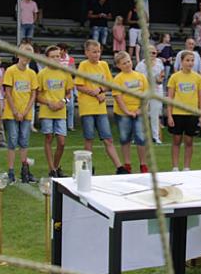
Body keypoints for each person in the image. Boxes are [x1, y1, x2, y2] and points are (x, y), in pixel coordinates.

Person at [75, 40, 127, 174]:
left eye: (98, 52)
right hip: (87, 108)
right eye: (94, 52)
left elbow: (109, 84)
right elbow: (79, 85)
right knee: (89, 138)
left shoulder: (103, 65)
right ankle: (87, 167)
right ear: (87, 52)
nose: (97, 54)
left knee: (108, 138)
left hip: (100, 108)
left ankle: (119, 167)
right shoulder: (83, 65)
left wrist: (100, 90)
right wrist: (94, 93)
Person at [2, 41, 39, 184]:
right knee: (12, 140)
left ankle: (25, 170)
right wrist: (16, 111)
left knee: (24, 141)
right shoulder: (11, 71)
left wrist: (25, 111)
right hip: (12, 113)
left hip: (26, 114)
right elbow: (8, 93)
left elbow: (33, 95)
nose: (26, 58)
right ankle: (11, 171)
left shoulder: (32, 73)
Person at [37, 45, 74, 177]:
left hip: (61, 111)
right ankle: (52, 169)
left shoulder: (65, 72)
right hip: (47, 111)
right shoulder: (42, 74)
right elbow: (37, 96)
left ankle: (56, 166)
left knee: (62, 142)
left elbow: (69, 94)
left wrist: (63, 102)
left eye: (58, 56)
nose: (56, 58)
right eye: (53, 57)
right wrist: (49, 102)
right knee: (48, 137)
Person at [167, 50, 201, 171]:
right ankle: (175, 167)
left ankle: (187, 167)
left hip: (192, 114)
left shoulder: (198, 78)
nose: (190, 63)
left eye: (192, 60)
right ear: (181, 61)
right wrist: (169, 115)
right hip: (177, 113)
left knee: (189, 141)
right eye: (187, 60)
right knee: (176, 140)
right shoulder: (174, 77)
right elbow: (170, 97)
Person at [112, 51, 149, 174]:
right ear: (119, 65)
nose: (127, 64)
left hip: (139, 112)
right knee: (125, 138)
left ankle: (143, 164)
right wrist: (127, 111)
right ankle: (127, 164)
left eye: (128, 61)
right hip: (123, 114)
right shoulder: (118, 79)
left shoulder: (141, 76)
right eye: (124, 63)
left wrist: (140, 109)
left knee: (141, 138)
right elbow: (118, 97)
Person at [136, 45, 166, 145]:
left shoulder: (159, 63)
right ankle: (139, 136)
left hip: (156, 91)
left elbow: (161, 76)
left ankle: (155, 137)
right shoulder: (140, 65)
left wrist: (159, 80)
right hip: (144, 91)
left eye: (154, 53)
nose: (153, 55)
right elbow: (138, 79)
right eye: (151, 53)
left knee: (155, 114)